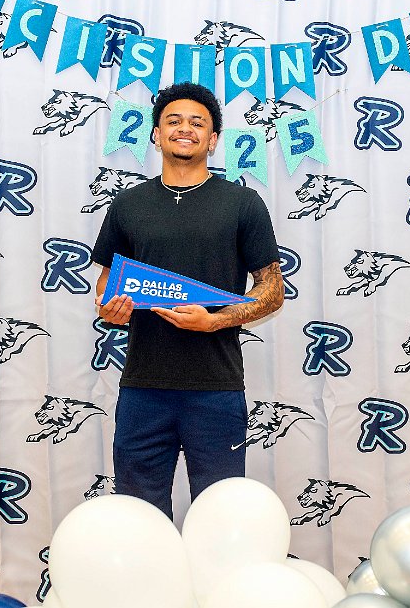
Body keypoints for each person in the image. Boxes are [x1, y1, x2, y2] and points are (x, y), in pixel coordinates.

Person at [91, 82, 284, 518]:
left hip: (216, 389)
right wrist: (110, 308)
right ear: (156, 134)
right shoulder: (128, 205)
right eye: (174, 120)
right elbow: (106, 286)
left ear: (213, 140)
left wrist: (214, 321)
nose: (185, 129)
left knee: (220, 518)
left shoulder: (243, 203)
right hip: (142, 388)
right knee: (139, 517)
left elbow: (272, 291)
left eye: (198, 123)